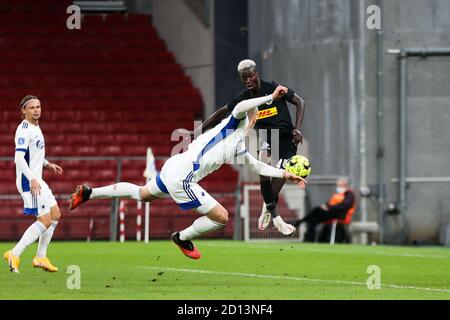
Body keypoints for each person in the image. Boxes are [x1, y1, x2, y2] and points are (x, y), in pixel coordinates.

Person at [69, 86, 307, 260]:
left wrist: (286, 175)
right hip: (183, 175)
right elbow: (242, 107)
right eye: (254, 114)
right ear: (250, 117)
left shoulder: (239, 147)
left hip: (175, 166)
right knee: (222, 217)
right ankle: (182, 237)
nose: (255, 117)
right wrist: (269, 97)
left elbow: (258, 167)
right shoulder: (233, 124)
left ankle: (90, 192)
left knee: (142, 195)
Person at [183, 59, 306, 235]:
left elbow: (301, 102)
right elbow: (221, 112)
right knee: (263, 173)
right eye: (244, 78)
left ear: (257, 74)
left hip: (286, 137)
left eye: (251, 76)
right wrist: (199, 130)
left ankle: (269, 206)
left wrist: (297, 129)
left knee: (281, 173)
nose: (248, 80)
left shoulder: (273, 88)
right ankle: (272, 209)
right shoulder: (244, 97)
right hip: (266, 137)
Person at [3, 95, 64, 273]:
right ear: (23, 110)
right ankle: (14, 253)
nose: (36, 110)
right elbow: (19, 158)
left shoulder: (36, 127)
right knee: (44, 220)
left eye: (38, 107)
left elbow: (34, 153)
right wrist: (32, 179)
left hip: (38, 179)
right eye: (32, 107)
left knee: (55, 214)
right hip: (29, 181)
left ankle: (41, 257)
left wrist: (47, 164)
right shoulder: (23, 130)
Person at [289, 177, 356, 242]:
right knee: (313, 219)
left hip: (340, 215)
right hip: (332, 213)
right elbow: (329, 203)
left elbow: (344, 206)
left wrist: (329, 207)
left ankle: (299, 222)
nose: (338, 187)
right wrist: (325, 206)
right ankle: (309, 240)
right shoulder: (338, 194)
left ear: (345, 185)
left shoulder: (349, 195)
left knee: (316, 210)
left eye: (339, 185)